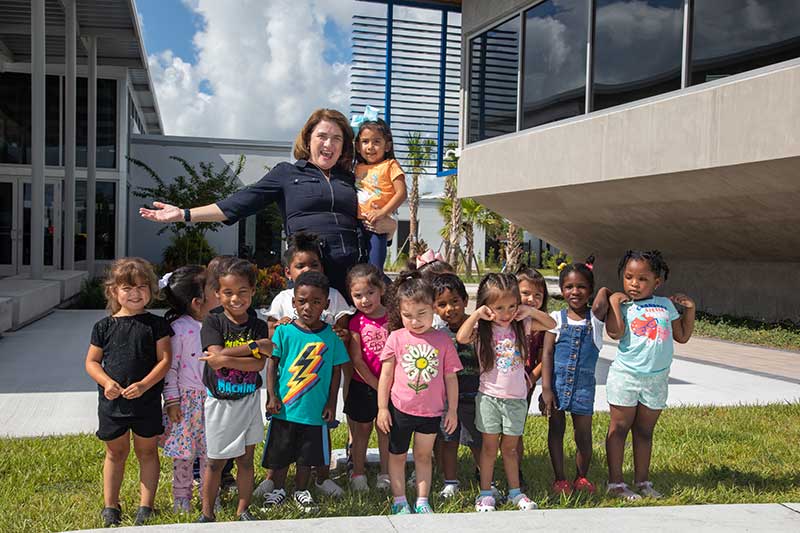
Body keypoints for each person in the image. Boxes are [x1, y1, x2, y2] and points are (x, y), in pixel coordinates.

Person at [139, 108, 374, 296]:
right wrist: (184, 214)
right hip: (308, 273)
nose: (329, 144)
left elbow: (375, 213)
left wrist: (389, 226)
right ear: (308, 139)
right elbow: (239, 202)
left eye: (336, 138)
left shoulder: (352, 178)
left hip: (352, 276)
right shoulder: (287, 173)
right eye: (322, 136)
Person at [456, 273, 555, 513]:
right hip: (489, 398)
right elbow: (461, 337)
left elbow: (551, 324)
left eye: (512, 306)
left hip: (516, 400)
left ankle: (515, 492)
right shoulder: (482, 328)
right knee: (489, 449)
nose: (506, 313)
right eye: (499, 307)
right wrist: (477, 314)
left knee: (510, 449)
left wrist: (529, 311)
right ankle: (485, 493)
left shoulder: (522, 325)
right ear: (486, 306)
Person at [84, 258, 173, 527]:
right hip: (113, 403)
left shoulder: (156, 325)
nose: (135, 293)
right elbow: (92, 362)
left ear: (151, 290)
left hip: (146, 402)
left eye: (142, 287)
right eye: (128, 288)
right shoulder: (103, 326)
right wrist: (106, 382)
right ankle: (111, 506)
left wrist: (145, 384)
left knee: (147, 452)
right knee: (115, 453)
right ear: (114, 291)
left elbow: (165, 360)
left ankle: (146, 506)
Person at [604, 250, 695, 500]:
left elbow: (682, 336)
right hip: (626, 376)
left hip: (656, 380)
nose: (634, 283)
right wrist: (614, 303)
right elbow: (615, 333)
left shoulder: (665, 305)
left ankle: (643, 481)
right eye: (629, 277)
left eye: (642, 279)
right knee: (619, 428)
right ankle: (616, 483)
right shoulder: (624, 305)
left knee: (644, 431)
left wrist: (690, 310)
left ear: (657, 282)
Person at [261, 271, 350, 513]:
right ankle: (278, 489)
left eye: (316, 302)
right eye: (302, 301)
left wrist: (331, 403)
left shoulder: (331, 336)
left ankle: (301, 490)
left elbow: (336, 372)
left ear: (326, 304)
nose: (308, 307)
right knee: (281, 454)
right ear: (293, 302)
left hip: (314, 411)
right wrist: (272, 396)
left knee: (306, 456)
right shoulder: (283, 331)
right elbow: (272, 365)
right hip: (285, 409)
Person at [377, 272, 462, 514]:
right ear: (399, 312)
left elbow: (451, 378)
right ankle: (400, 500)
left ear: (434, 308)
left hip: (431, 412)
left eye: (421, 314)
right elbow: (386, 376)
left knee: (423, 456)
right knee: (397, 455)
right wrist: (382, 408)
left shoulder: (443, 341)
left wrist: (453, 410)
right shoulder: (396, 338)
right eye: (408, 315)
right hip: (400, 410)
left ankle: (422, 500)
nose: (415, 321)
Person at [197, 258, 271, 522]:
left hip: (249, 400)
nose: (235, 298)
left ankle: (243, 510)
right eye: (228, 292)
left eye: (242, 292)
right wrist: (254, 347)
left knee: (246, 461)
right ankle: (207, 514)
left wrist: (228, 357)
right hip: (221, 403)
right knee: (215, 462)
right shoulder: (213, 321)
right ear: (217, 293)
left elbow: (259, 364)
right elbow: (214, 360)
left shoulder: (258, 324)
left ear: (253, 291)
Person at [540, 263, 610, 495]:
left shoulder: (596, 320)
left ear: (590, 290)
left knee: (583, 435)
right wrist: (546, 389)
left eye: (582, 286)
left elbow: (604, 297)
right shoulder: (556, 319)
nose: (575, 291)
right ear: (561, 289)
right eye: (569, 286)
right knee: (556, 429)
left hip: (583, 389)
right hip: (557, 386)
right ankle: (560, 478)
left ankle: (581, 476)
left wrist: (605, 290)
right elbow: (547, 353)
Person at [431, 273, 484, 499]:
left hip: (475, 396)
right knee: (448, 440)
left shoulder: (479, 329)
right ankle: (450, 482)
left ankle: (487, 480)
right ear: (434, 308)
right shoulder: (438, 335)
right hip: (447, 400)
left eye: (454, 301)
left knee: (477, 441)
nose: (449, 309)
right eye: (442, 304)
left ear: (465, 300)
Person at [344, 264, 391, 491]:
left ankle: (386, 473)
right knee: (361, 431)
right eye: (358, 295)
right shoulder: (355, 322)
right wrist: (376, 384)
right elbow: (357, 359)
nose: (365, 300)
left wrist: (386, 386)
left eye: (370, 293)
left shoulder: (395, 318)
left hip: (391, 386)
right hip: (363, 385)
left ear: (381, 289)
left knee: (386, 430)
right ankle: (358, 473)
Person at [354, 118, 407, 271]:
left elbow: (402, 193)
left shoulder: (391, 165)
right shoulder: (356, 167)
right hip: (356, 226)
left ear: (387, 146)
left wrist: (382, 212)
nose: (370, 147)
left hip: (376, 226)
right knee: (357, 269)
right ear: (358, 146)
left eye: (376, 141)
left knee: (375, 270)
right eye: (365, 141)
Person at [515, 266, 548, 488]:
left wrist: (532, 379)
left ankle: (516, 472)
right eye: (525, 293)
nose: (531, 299)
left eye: (538, 295)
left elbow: (546, 357)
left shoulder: (540, 324)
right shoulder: (504, 319)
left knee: (516, 430)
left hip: (524, 383)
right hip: (497, 384)